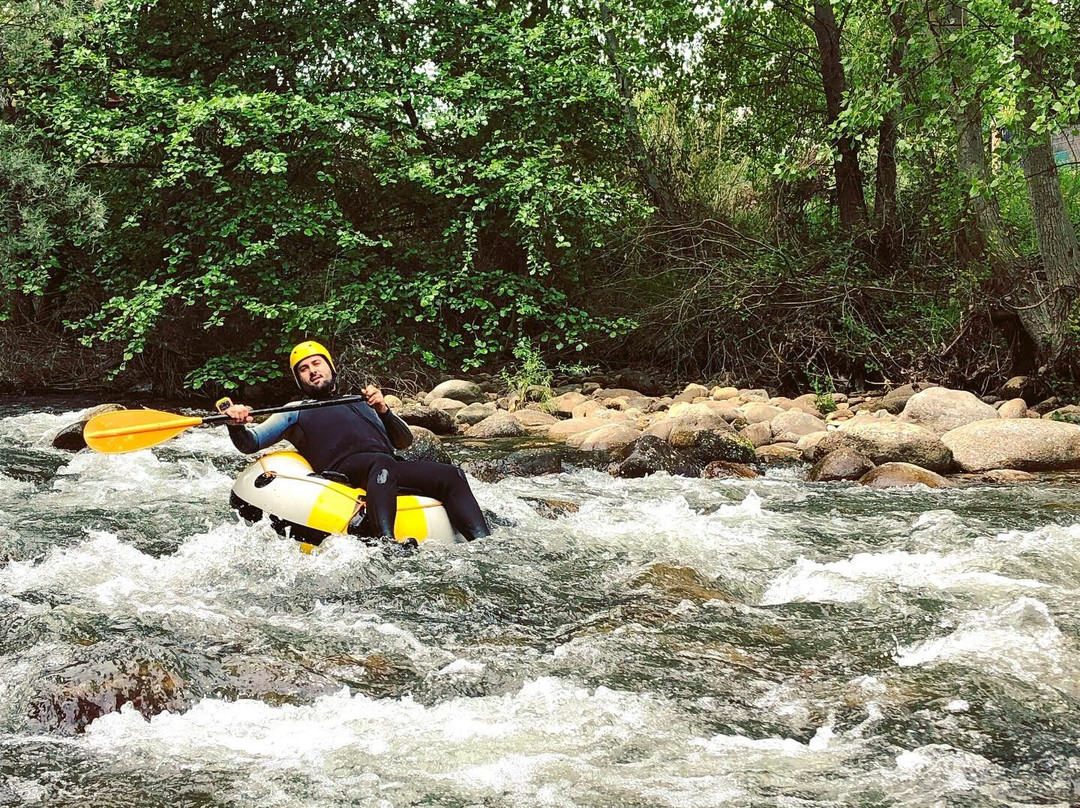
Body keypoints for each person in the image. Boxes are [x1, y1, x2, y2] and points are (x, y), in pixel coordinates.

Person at [223, 340, 491, 543]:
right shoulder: (294, 409)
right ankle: (386, 543)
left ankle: (484, 543)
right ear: (299, 380)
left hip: (387, 468)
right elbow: (252, 442)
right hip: (344, 470)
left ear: (331, 367)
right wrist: (236, 426)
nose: (312, 371)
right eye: (303, 369)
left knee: (451, 475)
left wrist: (384, 410)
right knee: (381, 463)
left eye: (317, 363)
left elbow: (403, 441)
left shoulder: (362, 402)